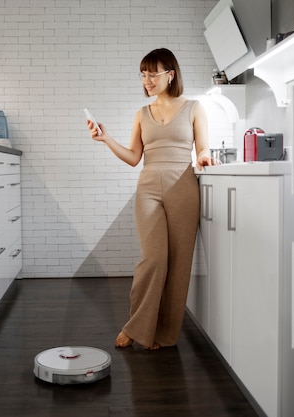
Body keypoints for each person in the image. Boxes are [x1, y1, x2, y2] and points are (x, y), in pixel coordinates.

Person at [86, 48, 218, 350]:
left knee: (179, 263)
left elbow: (203, 149)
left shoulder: (194, 108)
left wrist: (207, 158)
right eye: (143, 75)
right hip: (148, 187)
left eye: (153, 74)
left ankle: (164, 334)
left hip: (183, 187)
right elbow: (134, 157)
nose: (147, 80)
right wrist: (106, 138)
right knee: (154, 259)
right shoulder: (141, 114)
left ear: (170, 74)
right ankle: (137, 326)